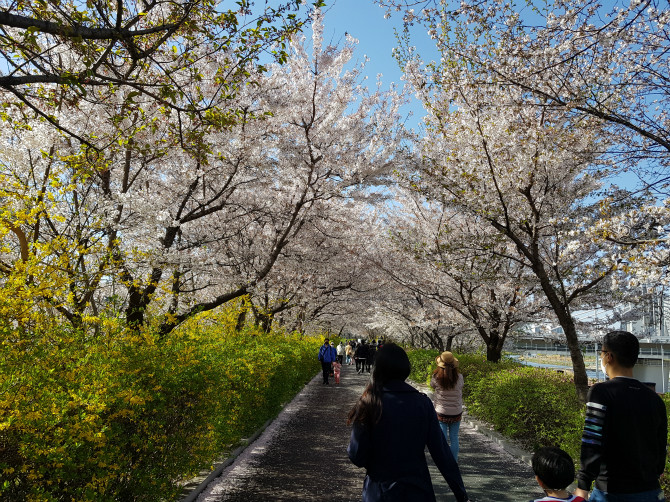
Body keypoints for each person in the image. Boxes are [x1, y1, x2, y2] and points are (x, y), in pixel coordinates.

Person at [347, 343, 471, 502]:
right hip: (417, 490)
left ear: (377, 369)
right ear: (405, 368)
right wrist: (461, 494)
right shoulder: (422, 404)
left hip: (379, 492)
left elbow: (356, 456)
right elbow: (442, 454)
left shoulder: (368, 403)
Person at [574, 330, 667, 502]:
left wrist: (583, 485)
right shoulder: (655, 400)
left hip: (612, 491)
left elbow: (592, 440)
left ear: (608, 356)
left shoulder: (601, 392)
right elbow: (661, 448)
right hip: (651, 491)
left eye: (601, 353)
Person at [430, 351, 464, 461]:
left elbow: (432, 385)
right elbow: (461, 386)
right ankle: (454, 461)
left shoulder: (436, 377)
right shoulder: (459, 377)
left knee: (442, 438)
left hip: (441, 412)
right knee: (454, 437)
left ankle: (444, 461)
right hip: (456, 412)